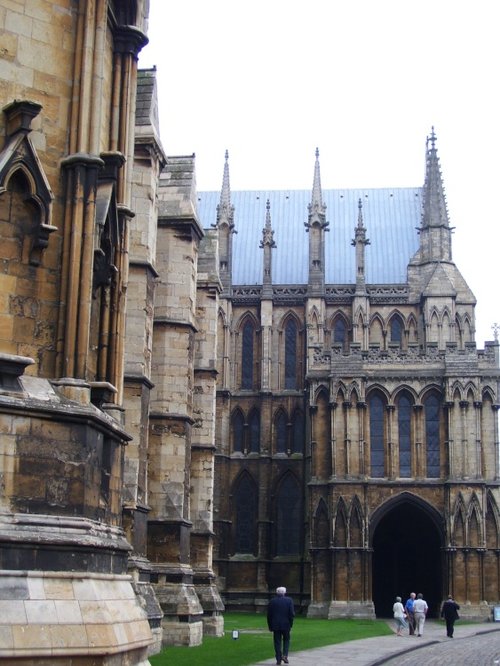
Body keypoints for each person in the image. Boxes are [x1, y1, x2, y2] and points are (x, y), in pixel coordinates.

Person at [267, 586, 295, 665]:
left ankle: (278, 659)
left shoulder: (272, 601)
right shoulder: (289, 600)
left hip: (275, 625)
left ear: (277, 593)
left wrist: (270, 626)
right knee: (286, 640)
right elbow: (291, 614)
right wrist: (291, 624)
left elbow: (269, 615)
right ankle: (285, 655)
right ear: (284, 593)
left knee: (277, 642)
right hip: (286, 624)